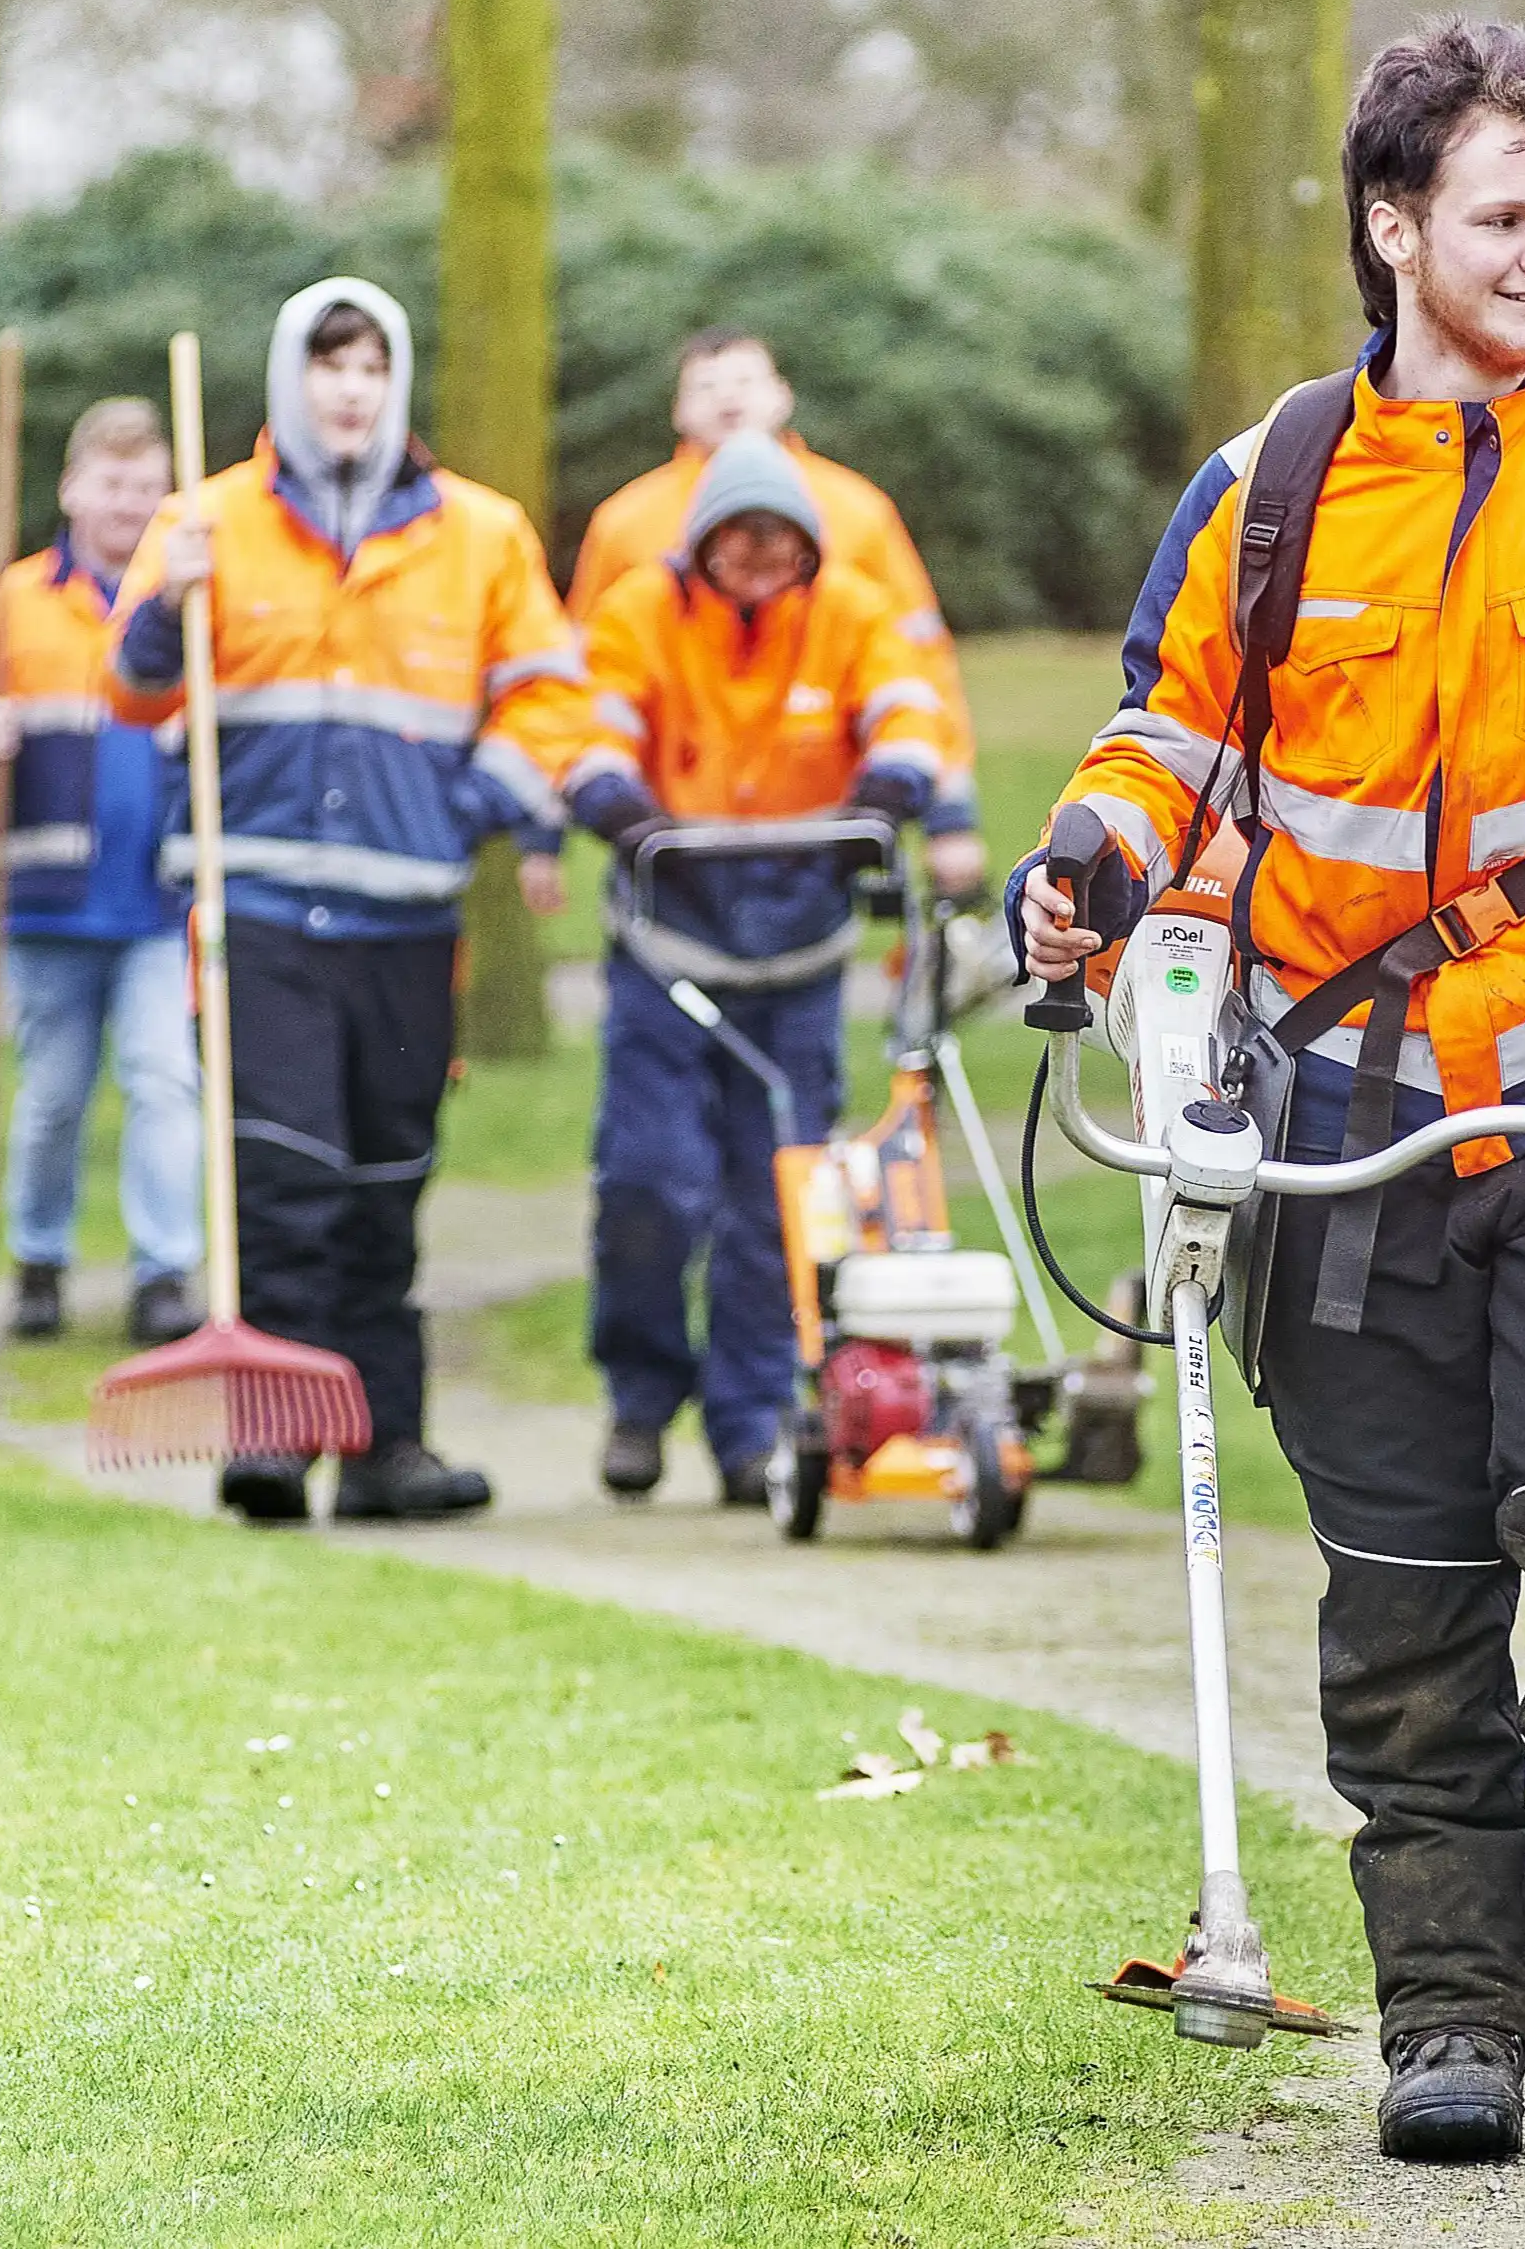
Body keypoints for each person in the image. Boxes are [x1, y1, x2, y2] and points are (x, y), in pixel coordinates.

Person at [1018, 19, 1525, 2164]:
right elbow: (1165, 739)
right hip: (1342, 1114)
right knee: (1399, 1592)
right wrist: (1091, 868)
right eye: (1506, 215)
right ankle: (1452, 2010)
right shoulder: (1274, 484)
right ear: (1394, 228)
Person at [108, 277, 602, 1523]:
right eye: (327, 363)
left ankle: (384, 1449)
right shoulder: (203, 521)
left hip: (404, 914)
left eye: (370, 366)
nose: (347, 387)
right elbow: (134, 691)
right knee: (281, 1176)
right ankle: (273, 1440)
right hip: (255, 906)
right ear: (291, 379)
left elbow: (552, 693)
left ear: (394, 385)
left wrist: (471, 804)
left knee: (386, 1181)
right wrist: (171, 599)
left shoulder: (479, 535)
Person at [565, 432, 977, 1503]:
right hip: (670, 946)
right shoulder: (637, 617)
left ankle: (749, 1425)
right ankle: (641, 1397)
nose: (755, 559)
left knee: (778, 1198)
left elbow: (910, 712)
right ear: (698, 544)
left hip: (798, 951)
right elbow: (591, 731)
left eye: (777, 542)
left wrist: (885, 796)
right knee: (648, 1183)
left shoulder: (848, 616)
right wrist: (621, 809)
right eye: (734, 540)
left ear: (806, 548)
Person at [0, 397, 200, 1347]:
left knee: (166, 1081)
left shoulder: (186, 602)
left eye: (147, 486)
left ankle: (165, 1272)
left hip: (162, 894)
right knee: (54, 1098)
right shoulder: (10, 603)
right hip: (47, 899)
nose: (128, 503)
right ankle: (39, 1258)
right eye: (113, 483)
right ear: (73, 487)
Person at [566, 328, 984, 885]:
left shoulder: (858, 511)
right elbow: (584, 683)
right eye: (706, 385)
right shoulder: (626, 523)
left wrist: (946, 814)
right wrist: (589, 807)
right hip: (674, 823)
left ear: (781, 394)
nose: (727, 398)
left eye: (744, 380)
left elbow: (916, 669)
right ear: (678, 410)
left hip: (817, 809)